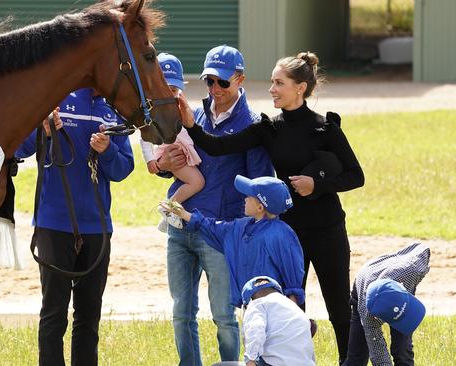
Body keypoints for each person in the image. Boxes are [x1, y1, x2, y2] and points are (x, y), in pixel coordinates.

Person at [179, 51, 365, 363]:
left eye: (279, 83)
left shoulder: (325, 128)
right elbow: (219, 147)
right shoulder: (269, 128)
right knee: (290, 309)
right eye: (271, 82)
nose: (272, 89)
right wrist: (192, 127)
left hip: (328, 229)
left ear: (300, 88)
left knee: (338, 309)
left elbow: (355, 176)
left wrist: (316, 185)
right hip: (288, 232)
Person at [155, 44, 274, 366]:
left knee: (223, 315)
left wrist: (243, 233)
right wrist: (164, 164)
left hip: (221, 234)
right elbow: (170, 162)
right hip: (180, 228)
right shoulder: (190, 116)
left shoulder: (253, 124)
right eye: (209, 81)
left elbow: (261, 185)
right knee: (182, 312)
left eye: (222, 82)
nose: (215, 89)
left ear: (240, 79)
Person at [15, 88, 134, 366]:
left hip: (97, 228)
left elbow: (122, 169)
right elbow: (19, 147)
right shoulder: (53, 96)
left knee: (89, 315)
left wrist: (107, 151)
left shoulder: (114, 109)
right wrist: (43, 131)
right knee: (54, 313)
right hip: (54, 224)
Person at [161, 175, 305, 308]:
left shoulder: (281, 234)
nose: (245, 199)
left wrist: (292, 314)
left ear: (260, 207)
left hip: (275, 308)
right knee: (252, 335)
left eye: (249, 196)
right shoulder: (241, 227)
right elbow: (211, 227)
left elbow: (293, 278)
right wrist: (182, 213)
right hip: (250, 305)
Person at [139, 53, 204, 231]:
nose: (170, 95)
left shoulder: (182, 106)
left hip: (182, 151)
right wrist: (150, 160)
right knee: (197, 182)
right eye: (165, 89)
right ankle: (168, 208)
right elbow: (145, 136)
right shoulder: (153, 111)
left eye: (174, 90)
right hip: (172, 152)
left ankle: (169, 212)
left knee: (193, 181)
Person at [342, 243, 430, 366]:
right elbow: (379, 356)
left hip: (397, 280)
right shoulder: (369, 317)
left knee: (402, 351)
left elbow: (423, 248)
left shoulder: (411, 270)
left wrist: (407, 290)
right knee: (356, 359)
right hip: (363, 280)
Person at [241, 276, 316, 366]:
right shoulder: (293, 307)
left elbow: (256, 329)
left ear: (249, 301)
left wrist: (250, 360)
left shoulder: (256, 305)